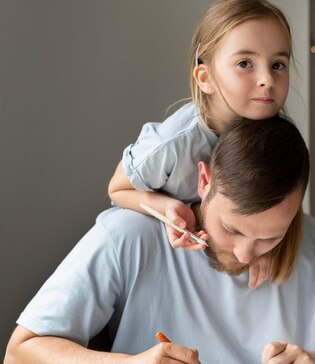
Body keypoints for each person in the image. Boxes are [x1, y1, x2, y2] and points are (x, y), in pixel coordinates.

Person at [3, 116, 315, 364]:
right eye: (233, 229)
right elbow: (20, 356)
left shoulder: (313, 243)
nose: (244, 253)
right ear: (204, 181)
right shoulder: (129, 234)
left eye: (270, 238)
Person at [108, 0, 294, 288]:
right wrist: (167, 206)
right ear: (205, 77)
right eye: (245, 63)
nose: (267, 79)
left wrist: (265, 246)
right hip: (164, 255)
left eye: (278, 64)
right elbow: (117, 188)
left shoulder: (275, 139)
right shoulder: (171, 144)